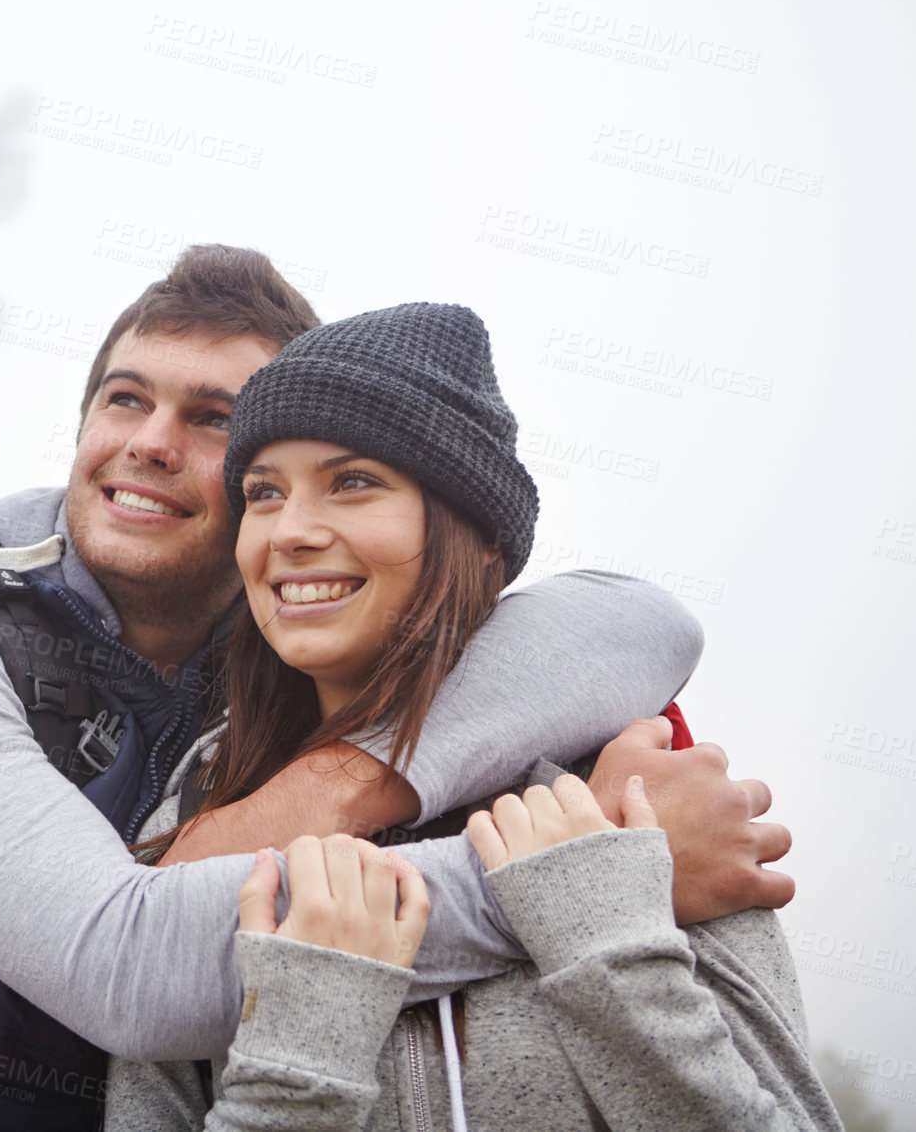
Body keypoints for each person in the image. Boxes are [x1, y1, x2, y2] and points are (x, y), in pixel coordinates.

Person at [0, 247, 795, 1131]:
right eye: (125, 397)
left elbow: (641, 615)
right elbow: (126, 965)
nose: (152, 441)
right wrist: (599, 869)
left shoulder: (261, 713)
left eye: (213, 418)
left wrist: (351, 774)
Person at [104, 304, 836, 1131]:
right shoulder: (205, 800)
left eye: (353, 482)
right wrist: (307, 1044)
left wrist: (604, 944)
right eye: (263, 493)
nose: (293, 531)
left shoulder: (634, 797)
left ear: (479, 534)